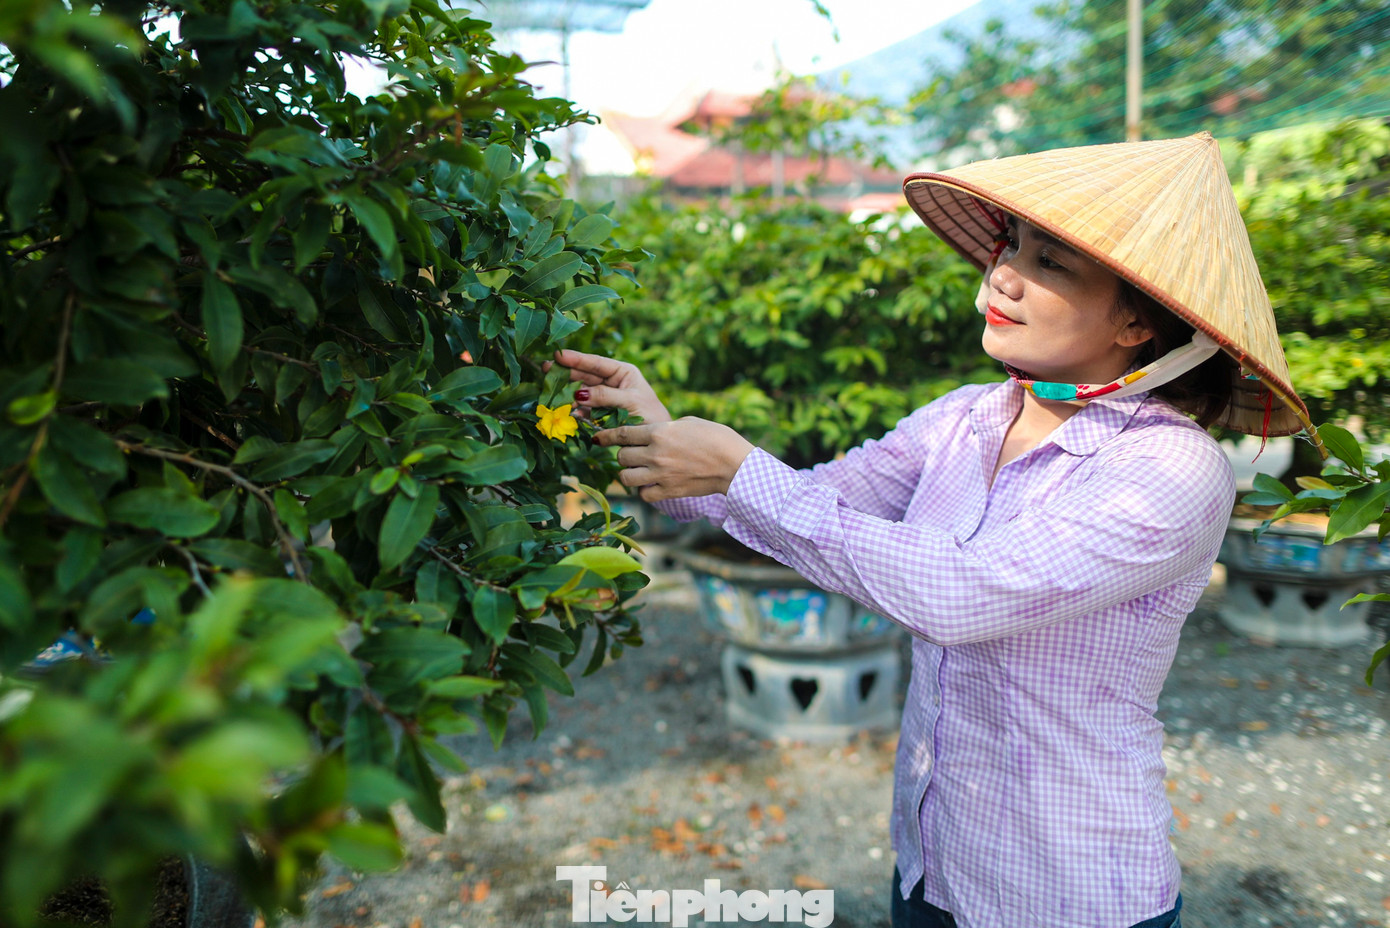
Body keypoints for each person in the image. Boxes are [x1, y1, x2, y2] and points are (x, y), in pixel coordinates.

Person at [551, 132, 1321, 928]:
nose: (1004, 276)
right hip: (934, 859)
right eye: (1010, 245)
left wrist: (739, 469)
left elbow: (960, 594)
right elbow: (799, 509)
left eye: (1050, 263)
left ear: (1137, 324)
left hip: (1068, 889)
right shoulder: (965, 417)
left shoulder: (1171, 470)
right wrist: (657, 435)